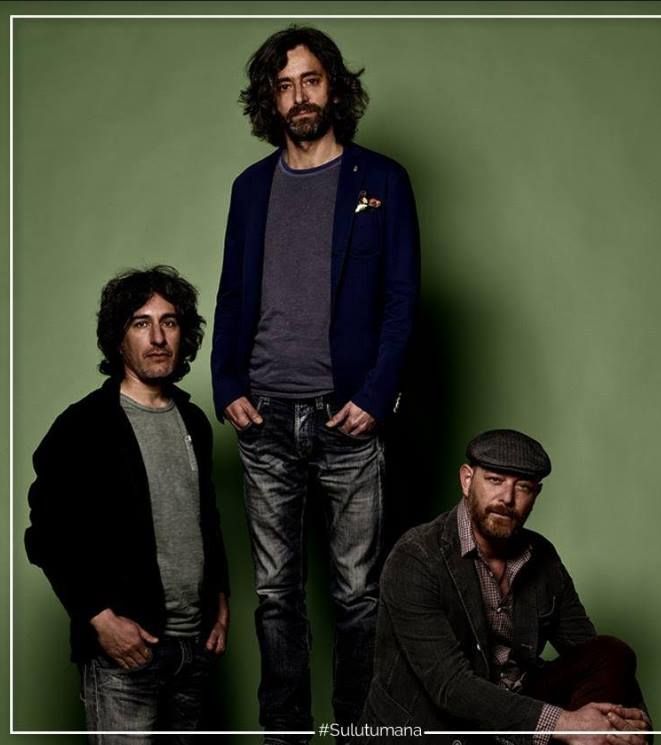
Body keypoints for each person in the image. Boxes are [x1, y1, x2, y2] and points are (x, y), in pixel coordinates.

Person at [210, 24, 420, 743]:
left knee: (358, 596)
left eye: (311, 80)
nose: (299, 96)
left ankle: (356, 730)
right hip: (263, 418)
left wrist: (375, 395)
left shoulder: (382, 181)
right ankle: (286, 733)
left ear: (334, 87)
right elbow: (232, 295)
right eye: (284, 85)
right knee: (275, 596)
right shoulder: (250, 188)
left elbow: (401, 300)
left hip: (347, 419)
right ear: (269, 99)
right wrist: (227, 383)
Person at [25, 266, 230, 744]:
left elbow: (205, 518)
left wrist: (219, 600)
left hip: (194, 648)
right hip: (125, 653)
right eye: (141, 323)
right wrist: (98, 618)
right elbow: (46, 534)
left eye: (169, 322)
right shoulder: (84, 426)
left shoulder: (194, 421)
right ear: (118, 339)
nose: (158, 337)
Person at [356, 429, 651, 745]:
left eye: (522, 487)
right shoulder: (416, 557)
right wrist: (565, 723)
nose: (507, 499)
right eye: (495, 480)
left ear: (535, 494)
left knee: (610, 654)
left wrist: (635, 724)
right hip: (434, 728)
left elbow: (586, 650)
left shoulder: (542, 557)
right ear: (467, 480)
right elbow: (450, 686)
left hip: (513, 712)